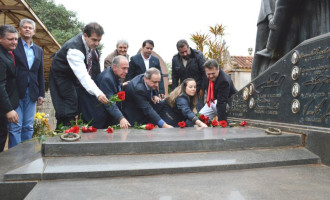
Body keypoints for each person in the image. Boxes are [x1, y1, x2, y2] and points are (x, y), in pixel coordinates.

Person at [49, 22, 108, 128]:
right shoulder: (74, 49)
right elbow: (83, 75)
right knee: (68, 105)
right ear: (85, 35)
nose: (97, 43)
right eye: (94, 40)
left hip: (73, 78)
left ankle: (73, 129)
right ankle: (63, 133)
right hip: (61, 77)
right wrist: (98, 93)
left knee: (78, 103)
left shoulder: (92, 48)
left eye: (99, 40)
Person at [8, 19, 45, 148]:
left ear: (34, 32)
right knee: (15, 127)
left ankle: (26, 158)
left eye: (30, 28)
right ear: (19, 30)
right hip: (16, 92)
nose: (27, 29)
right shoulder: (13, 46)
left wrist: (41, 93)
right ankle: (14, 158)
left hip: (32, 92)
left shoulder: (39, 50)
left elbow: (39, 73)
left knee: (28, 127)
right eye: (25, 27)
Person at [91, 55, 131, 129]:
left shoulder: (115, 74)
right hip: (99, 117)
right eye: (124, 68)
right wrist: (121, 118)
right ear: (115, 67)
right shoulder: (107, 79)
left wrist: (121, 85)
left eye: (127, 69)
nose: (126, 72)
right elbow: (109, 102)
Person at [171, 39, 206, 111]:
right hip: (183, 90)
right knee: (184, 111)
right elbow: (174, 77)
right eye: (182, 52)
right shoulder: (175, 59)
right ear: (178, 51)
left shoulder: (198, 55)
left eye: (186, 51)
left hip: (198, 90)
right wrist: (174, 92)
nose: (184, 54)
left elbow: (204, 73)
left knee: (200, 112)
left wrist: (203, 88)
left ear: (188, 47)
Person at [0, 25, 19, 152]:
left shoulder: (7, 53)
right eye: (10, 39)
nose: (14, 42)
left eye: (16, 39)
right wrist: (9, 110)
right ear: (0, 39)